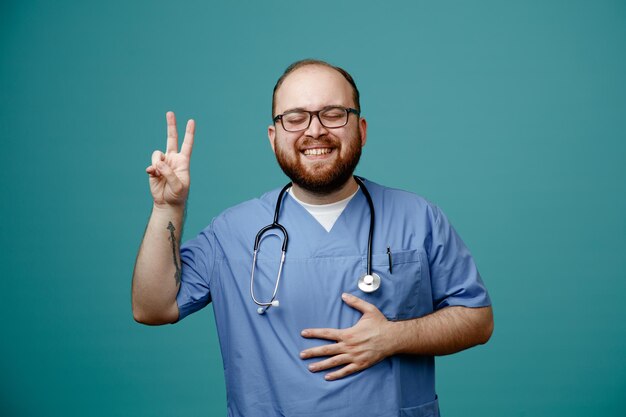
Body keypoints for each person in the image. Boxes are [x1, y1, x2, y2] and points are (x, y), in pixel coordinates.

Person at [132, 59, 493, 417]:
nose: (315, 130)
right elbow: (152, 308)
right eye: (295, 117)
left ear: (362, 129)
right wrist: (168, 207)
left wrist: (392, 337)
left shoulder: (418, 217)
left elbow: (477, 320)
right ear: (274, 137)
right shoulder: (232, 232)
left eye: (334, 113)